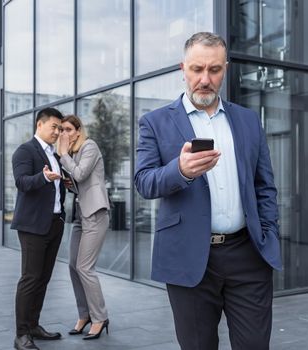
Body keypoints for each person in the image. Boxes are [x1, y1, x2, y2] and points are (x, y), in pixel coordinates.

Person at [134, 32, 282, 350]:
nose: (205, 79)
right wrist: (181, 170)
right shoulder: (155, 122)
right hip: (188, 258)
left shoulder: (248, 120)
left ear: (224, 69)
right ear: (183, 68)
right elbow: (143, 182)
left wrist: (269, 232)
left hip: (248, 255)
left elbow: (264, 185)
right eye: (197, 69)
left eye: (214, 70)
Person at [11, 107, 66, 350]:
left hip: (54, 223)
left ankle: (33, 325)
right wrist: (43, 178)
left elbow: (56, 186)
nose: (57, 131)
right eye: (54, 127)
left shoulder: (55, 154)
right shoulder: (25, 151)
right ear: (39, 125)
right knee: (30, 279)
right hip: (33, 226)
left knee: (43, 279)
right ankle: (21, 334)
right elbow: (22, 183)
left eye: (59, 127)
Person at [57, 114, 111, 340]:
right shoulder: (72, 153)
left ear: (78, 131)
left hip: (96, 213)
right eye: (61, 130)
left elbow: (80, 173)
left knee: (85, 268)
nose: (64, 134)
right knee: (73, 265)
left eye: (68, 130)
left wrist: (62, 155)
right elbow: (77, 183)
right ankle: (84, 314)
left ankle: (100, 318)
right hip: (80, 214)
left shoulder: (89, 146)